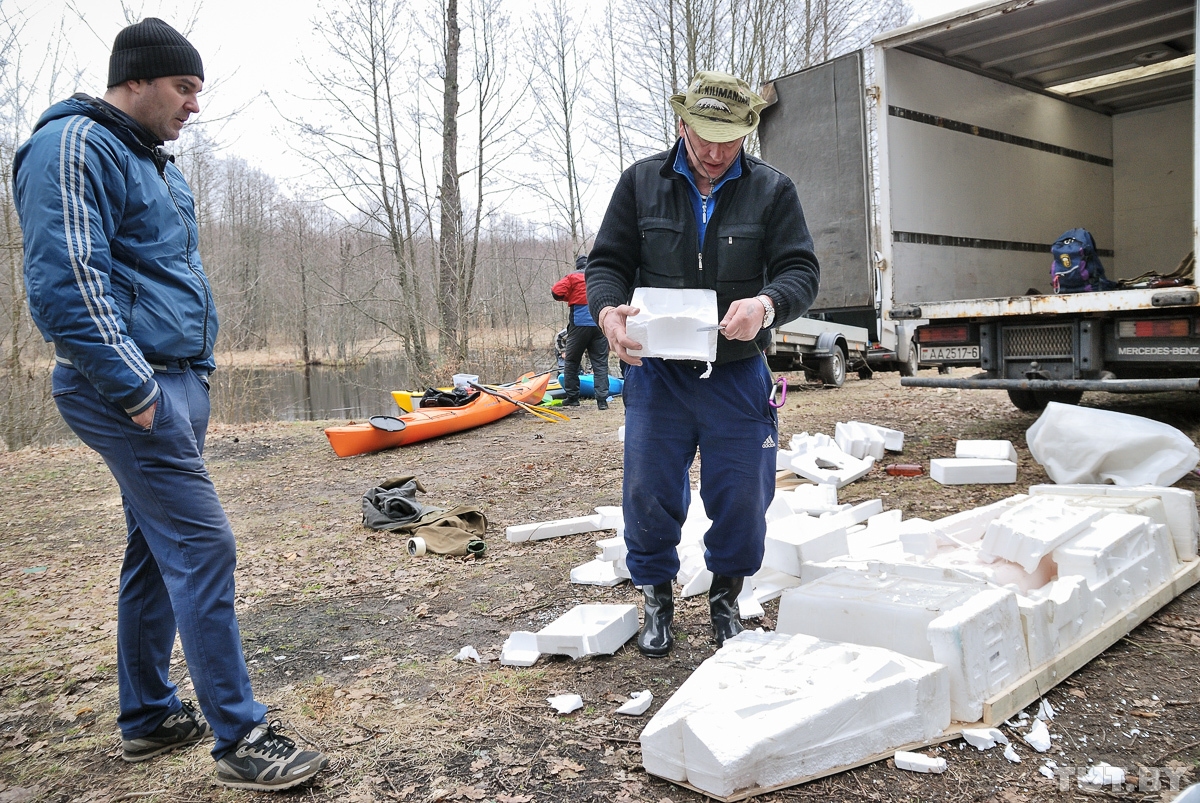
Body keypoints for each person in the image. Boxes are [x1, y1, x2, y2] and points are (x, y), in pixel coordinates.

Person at [13, 18, 328, 791]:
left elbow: (171, 275)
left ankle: (148, 717)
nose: (194, 104)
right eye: (184, 87)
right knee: (203, 545)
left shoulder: (150, 160)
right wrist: (139, 390)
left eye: (198, 90)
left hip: (176, 380)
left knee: (157, 551)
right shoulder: (73, 145)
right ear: (137, 80)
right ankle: (240, 734)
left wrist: (199, 372)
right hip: (124, 387)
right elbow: (67, 286)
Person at [586, 71, 820, 657]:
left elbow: (801, 272)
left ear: (749, 129)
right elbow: (607, 263)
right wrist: (609, 312)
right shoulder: (641, 183)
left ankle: (726, 600)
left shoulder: (773, 191)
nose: (716, 153)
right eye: (705, 136)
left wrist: (767, 306)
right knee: (648, 491)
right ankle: (656, 601)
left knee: (743, 495)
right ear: (682, 122)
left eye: (731, 139)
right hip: (657, 372)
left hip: (737, 373)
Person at [551, 254, 611, 409]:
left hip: (579, 325)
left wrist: (570, 296)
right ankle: (602, 401)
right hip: (600, 323)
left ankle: (573, 398)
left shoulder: (572, 277)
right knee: (600, 363)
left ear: (578, 266)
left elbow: (556, 292)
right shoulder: (600, 276)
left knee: (571, 361)